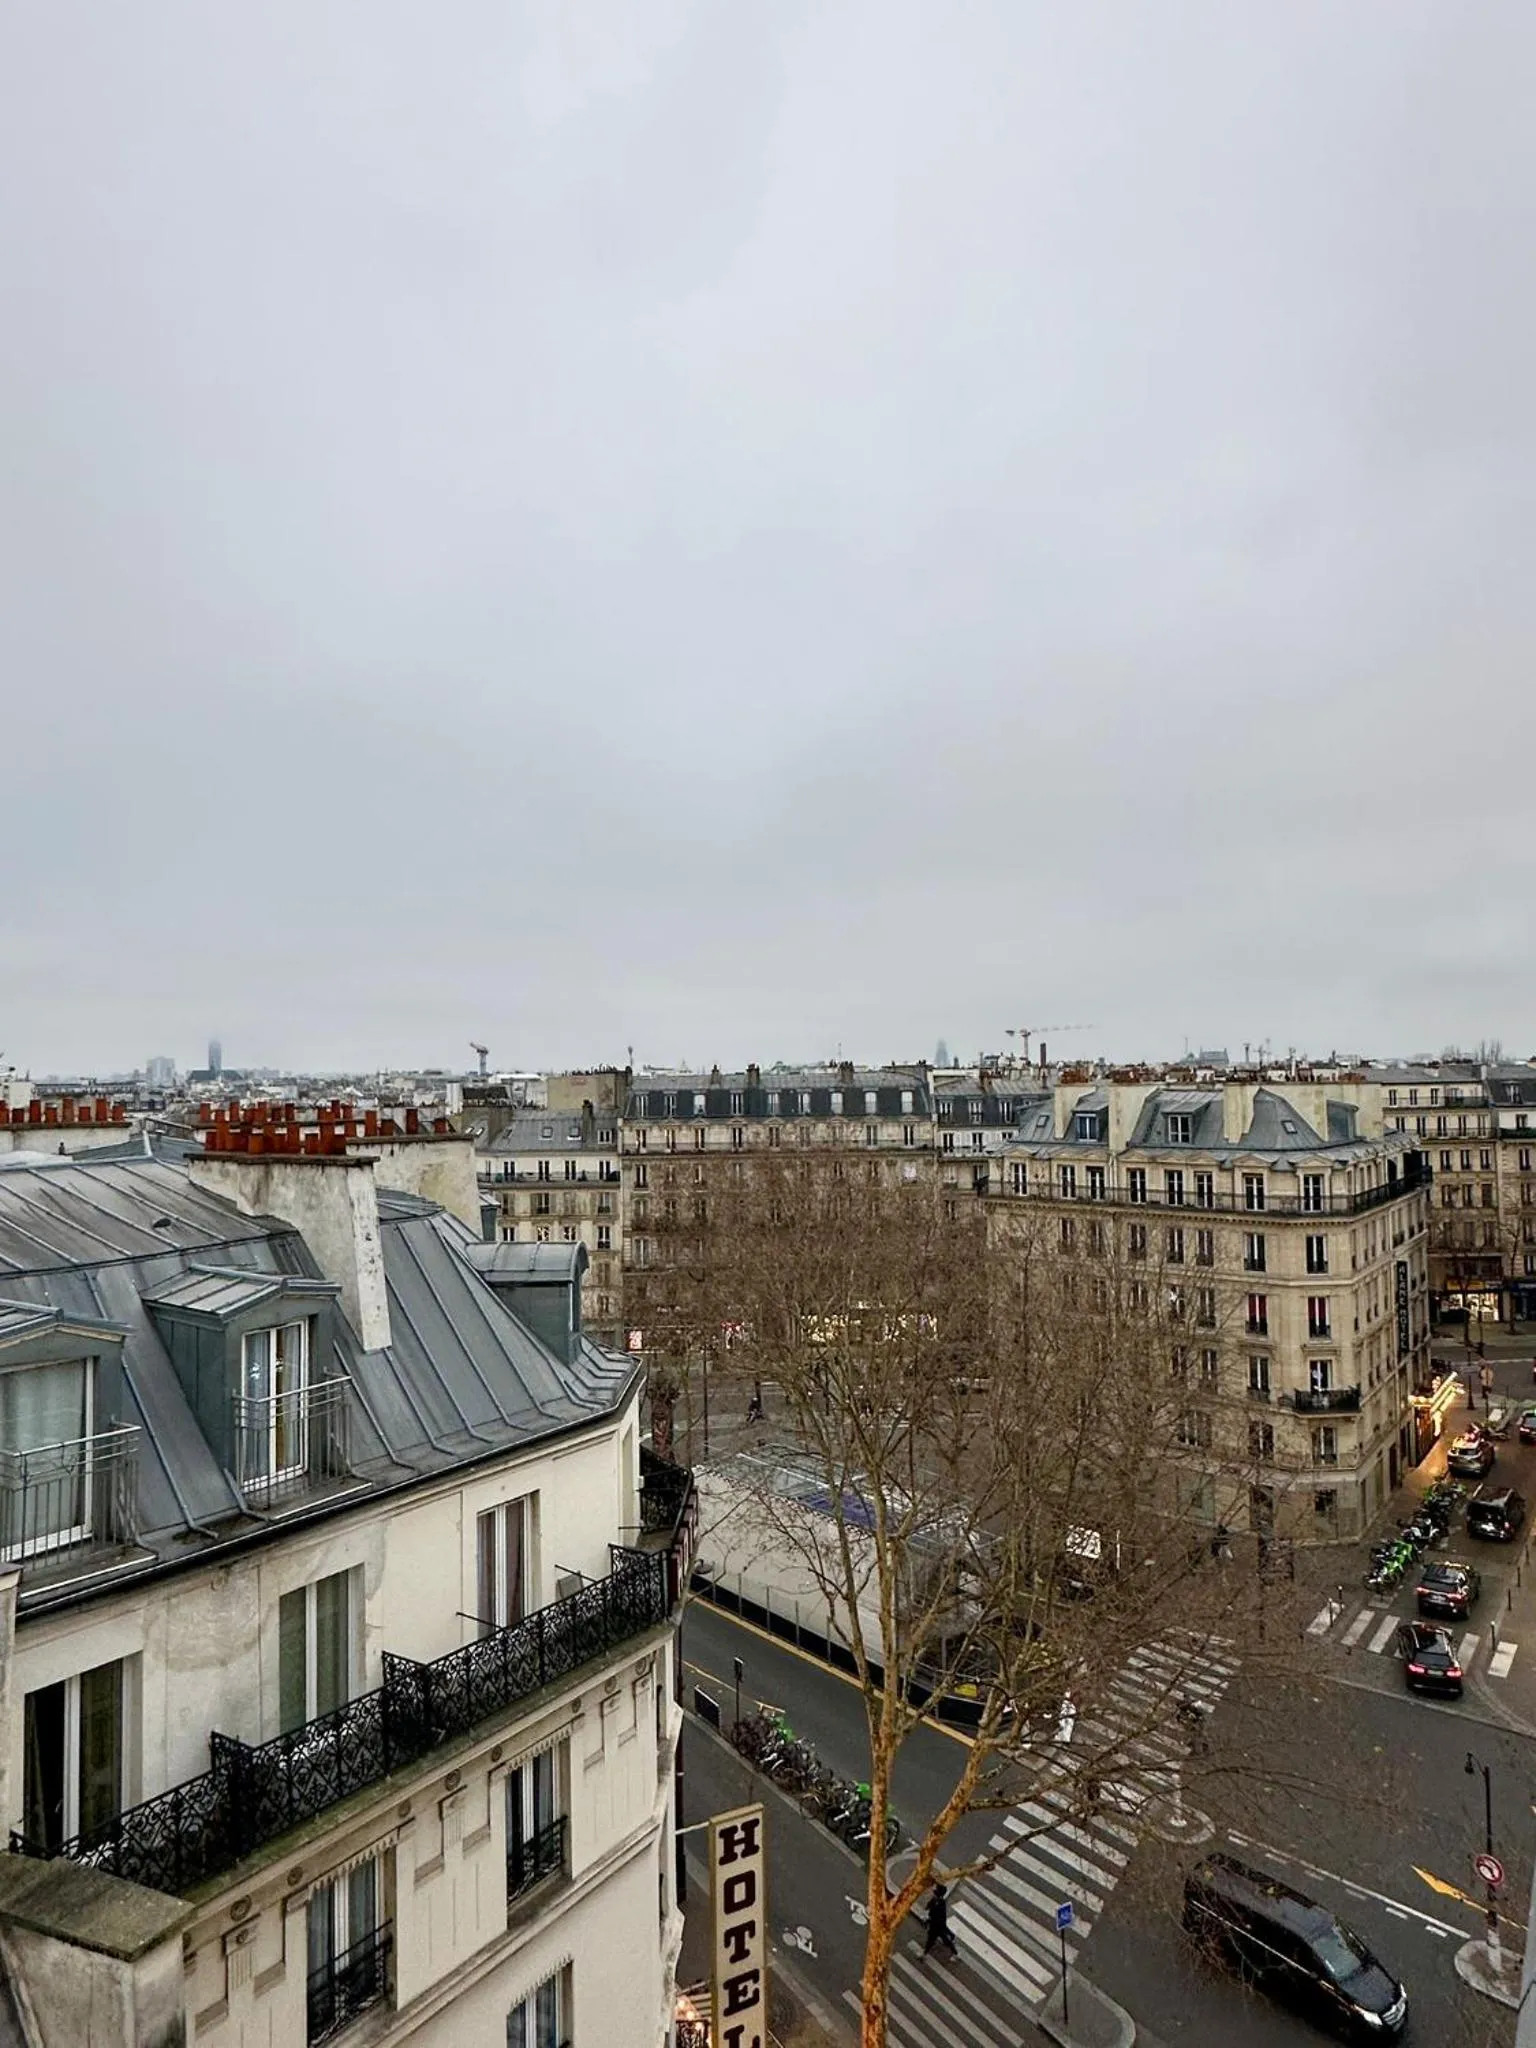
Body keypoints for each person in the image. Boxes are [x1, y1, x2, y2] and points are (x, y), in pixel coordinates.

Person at [923, 1882, 958, 1961]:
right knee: (935, 1939)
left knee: (942, 1940)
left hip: (937, 1926)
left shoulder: (941, 1904)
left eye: (935, 1892)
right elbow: (929, 1905)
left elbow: (938, 1917)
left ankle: (955, 1953)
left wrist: (928, 1920)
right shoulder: (935, 1900)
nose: (933, 1893)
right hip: (936, 1925)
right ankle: (924, 1954)